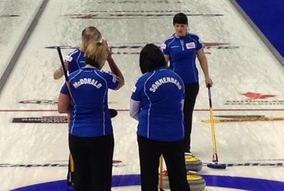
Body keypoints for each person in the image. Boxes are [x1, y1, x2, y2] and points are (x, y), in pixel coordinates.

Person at [58, 40, 124, 191]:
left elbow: (61, 108)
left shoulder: (72, 78)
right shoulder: (104, 77)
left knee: (81, 180)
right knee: (101, 180)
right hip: (100, 135)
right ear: (102, 58)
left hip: (77, 135)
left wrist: (75, 105)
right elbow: (120, 82)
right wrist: (111, 59)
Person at [130, 44, 190, 191]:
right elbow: (181, 107)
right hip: (175, 135)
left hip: (149, 136)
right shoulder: (178, 78)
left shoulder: (143, 81)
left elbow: (133, 111)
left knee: (149, 178)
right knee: (179, 177)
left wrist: (149, 119)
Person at [161, 13, 213, 155]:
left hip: (191, 83)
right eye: (177, 26)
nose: (180, 28)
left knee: (187, 114)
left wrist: (207, 76)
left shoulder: (194, 40)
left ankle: (185, 146)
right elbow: (163, 64)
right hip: (175, 85)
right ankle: (173, 143)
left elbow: (202, 58)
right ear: (174, 26)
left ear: (186, 25)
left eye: (182, 26)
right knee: (176, 113)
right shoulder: (169, 43)